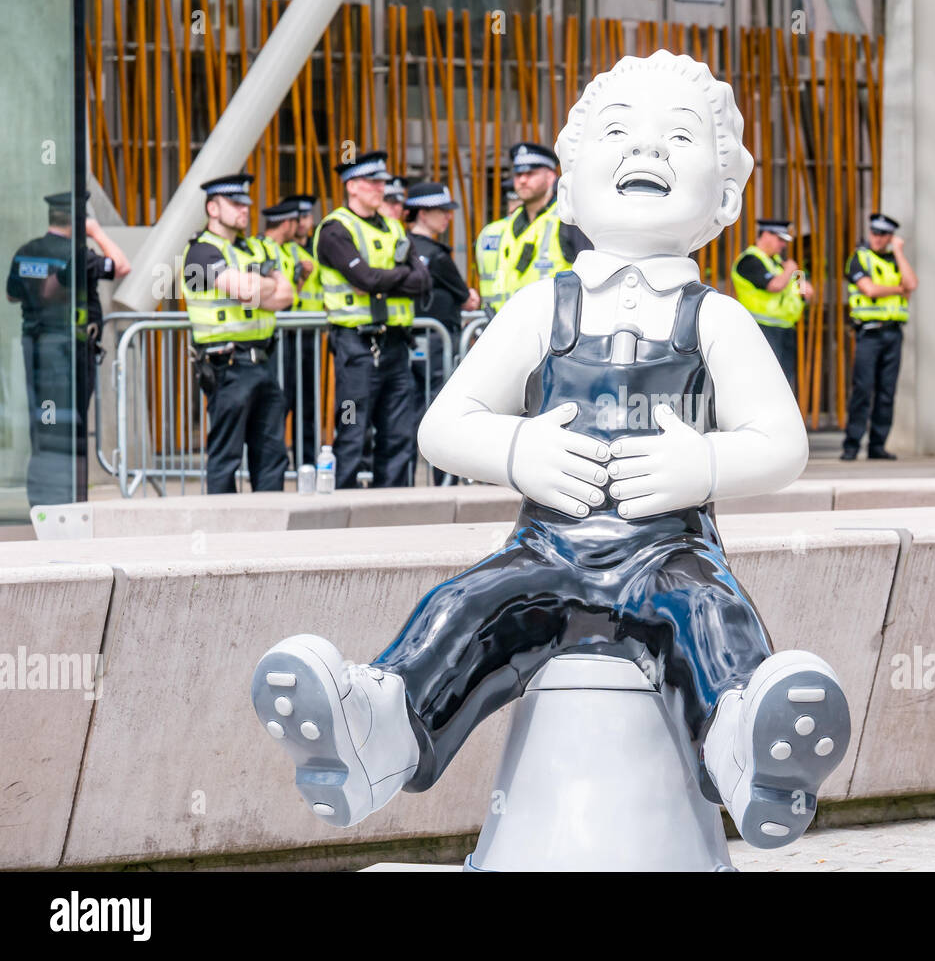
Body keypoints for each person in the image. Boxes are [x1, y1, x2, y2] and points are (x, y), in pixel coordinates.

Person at [253, 51, 850, 852]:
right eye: (619, 132)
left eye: (679, 136)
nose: (649, 151)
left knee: (713, 616)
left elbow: (782, 445)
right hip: (547, 550)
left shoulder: (717, 318)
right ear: (571, 183)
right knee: (464, 608)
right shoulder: (544, 304)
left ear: (727, 192)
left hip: (665, 554)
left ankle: (747, 749)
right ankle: (378, 729)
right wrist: (518, 446)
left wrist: (703, 465)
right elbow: (446, 424)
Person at [313, 150, 430, 489]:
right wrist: (394, 278)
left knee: (397, 431)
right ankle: (346, 504)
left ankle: (389, 507)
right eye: (373, 181)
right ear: (352, 186)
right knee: (352, 428)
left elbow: (422, 281)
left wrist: (382, 281)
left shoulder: (393, 226)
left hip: (394, 344)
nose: (381, 187)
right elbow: (365, 279)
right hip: (355, 345)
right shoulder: (336, 229)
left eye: (382, 180)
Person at [6, 192, 127, 505]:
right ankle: (69, 498)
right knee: (71, 424)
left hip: (34, 348)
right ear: (78, 220)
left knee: (43, 420)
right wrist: (96, 232)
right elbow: (122, 266)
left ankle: (41, 498)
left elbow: (12, 295)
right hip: (69, 351)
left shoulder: (27, 252)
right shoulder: (80, 255)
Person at [182, 174, 293, 494]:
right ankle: (222, 533)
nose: (244, 209)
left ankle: (269, 533)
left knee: (272, 454)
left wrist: (256, 287)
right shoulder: (201, 252)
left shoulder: (253, 248)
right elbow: (247, 289)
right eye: (235, 203)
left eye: (246, 203)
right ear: (212, 208)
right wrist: (261, 285)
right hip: (226, 365)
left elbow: (286, 296)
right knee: (226, 455)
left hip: (262, 361)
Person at [404, 180, 479, 485]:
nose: (448, 217)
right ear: (422, 213)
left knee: (406, 414)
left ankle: (405, 481)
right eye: (442, 211)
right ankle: (442, 480)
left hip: (410, 342)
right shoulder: (435, 255)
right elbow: (468, 298)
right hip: (436, 346)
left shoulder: (402, 248)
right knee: (438, 411)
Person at [840, 213, 916, 461]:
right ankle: (851, 446)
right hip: (868, 334)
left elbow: (912, 284)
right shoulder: (859, 259)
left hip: (893, 334)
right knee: (863, 390)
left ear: (890, 237)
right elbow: (869, 289)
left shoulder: (895, 260)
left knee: (886, 392)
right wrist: (898, 290)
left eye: (883, 234)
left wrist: (900, 253)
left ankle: (877, 446)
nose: (877, 238)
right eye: (874, 232)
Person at [490, 141, 591, 308]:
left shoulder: (568, 217)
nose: (522, 180)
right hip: (514, 323)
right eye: (518, 174)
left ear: (551, 176)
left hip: (557, 325)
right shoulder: (513, 222)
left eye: (530, 173)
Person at [260, 195, 322, 461]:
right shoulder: (261, 249)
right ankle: (272, 464)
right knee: (278, 403)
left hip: (305, 333)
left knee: (305, 404)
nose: (303, 224)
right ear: (286, 223)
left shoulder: (293, 251)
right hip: (279, 335)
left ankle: (304, 462)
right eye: (298, 219)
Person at [730, 218, 815, 390]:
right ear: (766, 235)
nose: (783, 245)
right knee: (766, 383)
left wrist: (804, 291)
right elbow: (774, 286)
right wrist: (790, 270)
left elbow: (800, 290)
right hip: (762, 329)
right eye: (780, 239)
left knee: (783, 384)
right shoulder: (750, 260)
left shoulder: (777, 262)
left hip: (784, 329)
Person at [473, 178, 522, 312]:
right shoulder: (530, 229)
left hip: (490, 313)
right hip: (520, 310)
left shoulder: (487, 231)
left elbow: (477, 269)